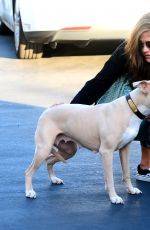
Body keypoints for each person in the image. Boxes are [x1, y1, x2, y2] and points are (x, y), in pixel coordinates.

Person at [70, 12, 150, 182]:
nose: (144, 50)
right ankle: (146, 167)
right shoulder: (126, 51)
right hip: (122, 110)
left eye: (149, 44)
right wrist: (69, 110)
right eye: (140, 45)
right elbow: (99, 82)